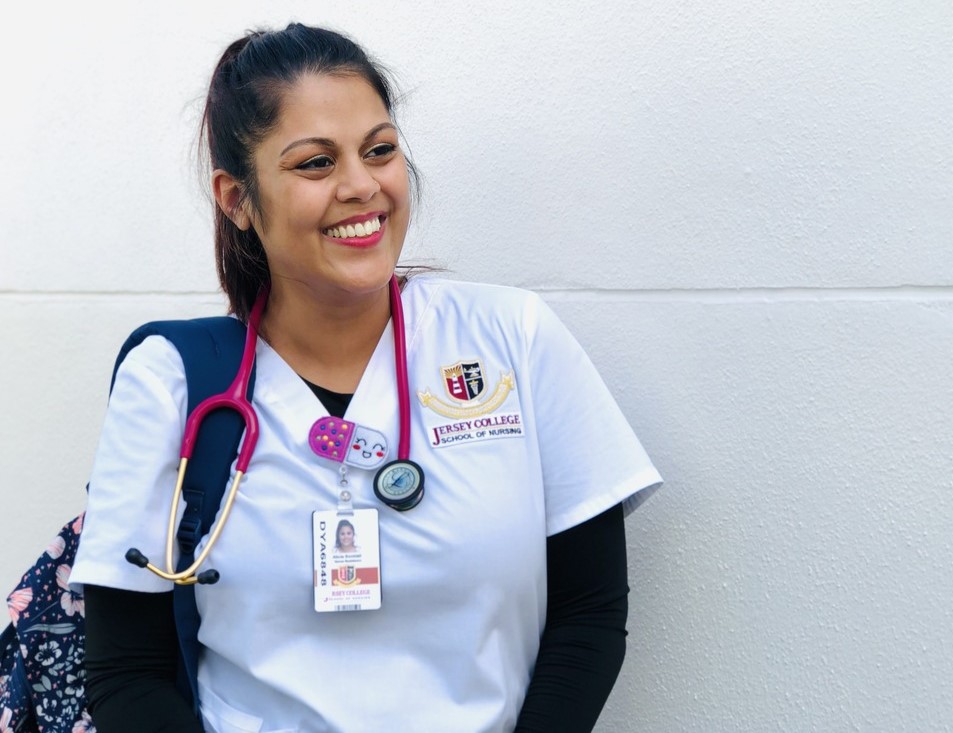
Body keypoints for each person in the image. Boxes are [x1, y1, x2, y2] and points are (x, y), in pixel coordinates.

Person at [69, 22, 661, 733]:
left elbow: (589, 612)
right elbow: (125, 674)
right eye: (315, 164)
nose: (362, 186)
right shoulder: (171, 380)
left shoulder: (513, 339)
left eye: (379, 150)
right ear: (236, 199)